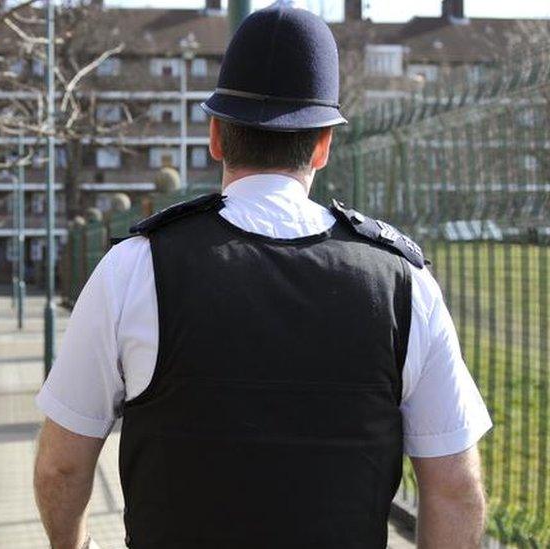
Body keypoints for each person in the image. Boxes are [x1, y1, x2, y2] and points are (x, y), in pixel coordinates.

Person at [33, 3, 492, 549]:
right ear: (323, 144)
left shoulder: (135, 268)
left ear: (216, 137)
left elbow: (61, 467)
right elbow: (455, 489)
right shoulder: (402, 285)